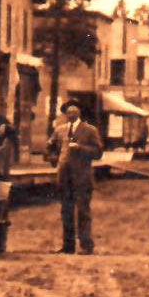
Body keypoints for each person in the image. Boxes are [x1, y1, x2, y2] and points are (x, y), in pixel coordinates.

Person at [47, 103, 103, 255]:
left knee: (83, 211)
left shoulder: (90, 130)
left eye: (74, 111)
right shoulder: (60, 130)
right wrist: (53, 157)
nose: (71, 114)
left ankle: (86, 245)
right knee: (66, 211)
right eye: (68, 112)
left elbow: (98, 152)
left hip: (82, 177)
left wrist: (81, 148)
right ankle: (68, 246)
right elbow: (51, 146)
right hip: (65, 177)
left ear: (79, 113)